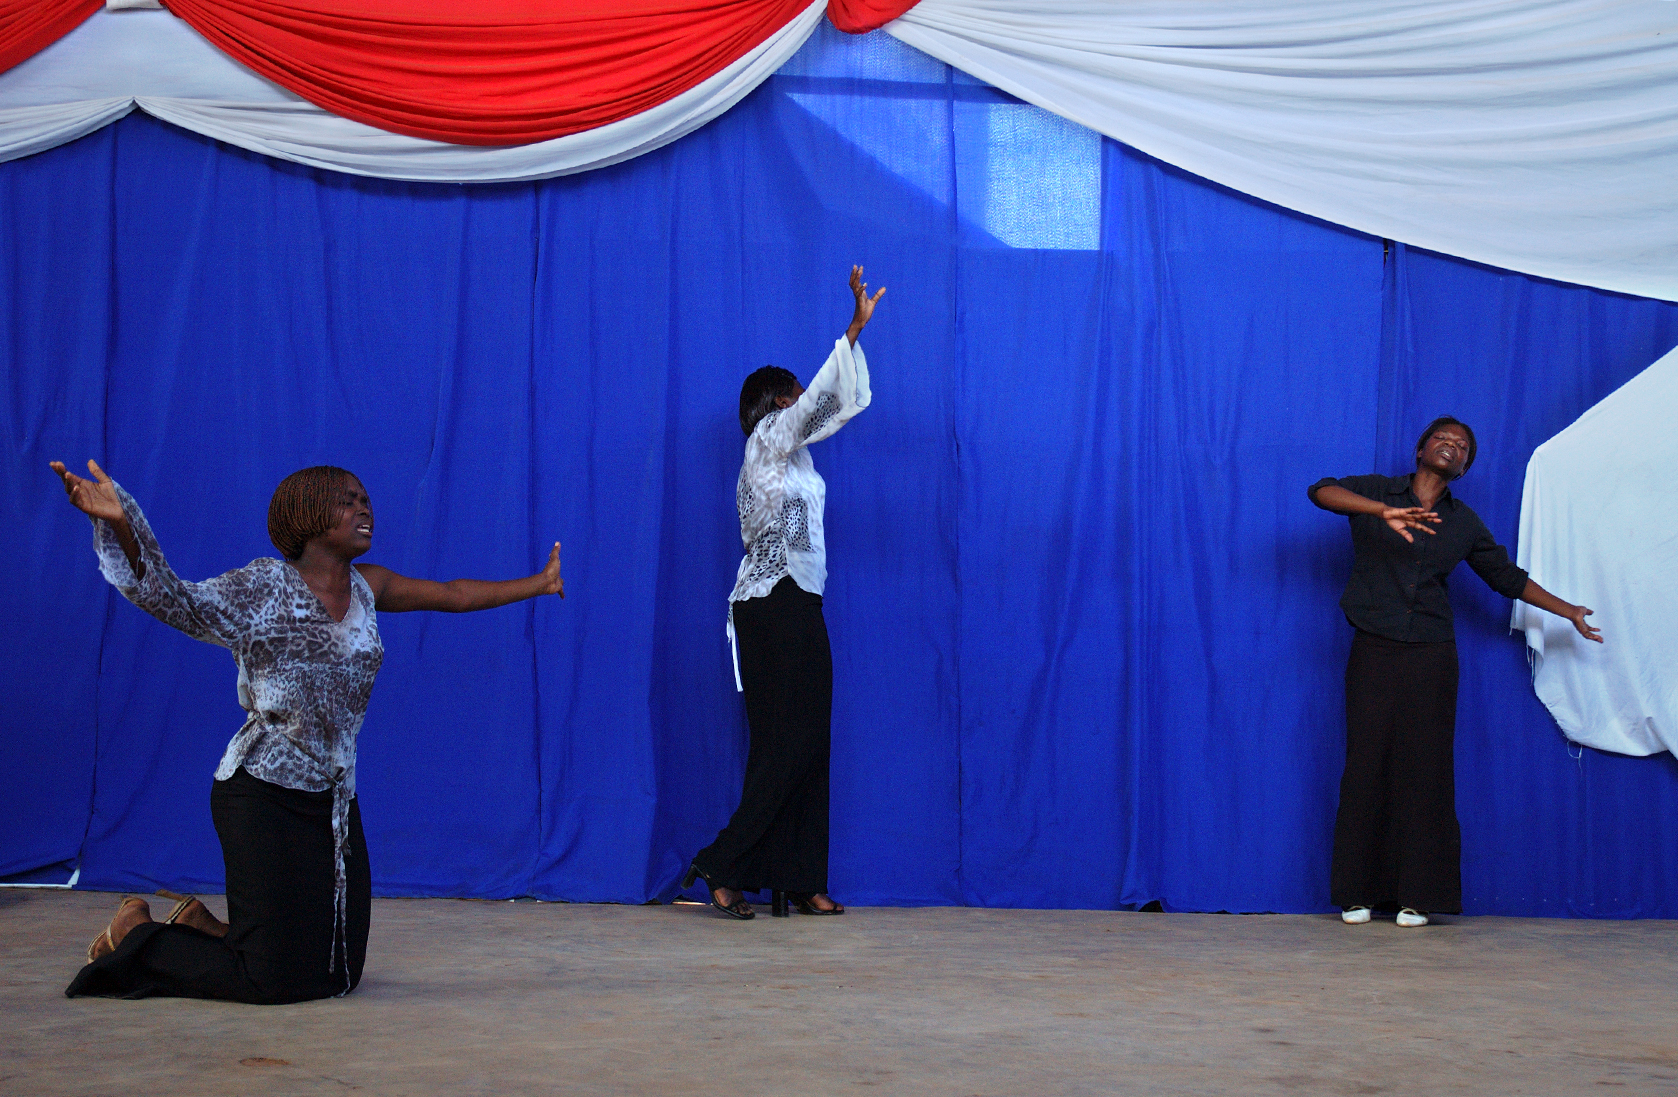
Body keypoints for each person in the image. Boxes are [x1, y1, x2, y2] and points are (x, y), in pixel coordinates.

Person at [52, 459, 563, 1002]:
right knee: (270, 979)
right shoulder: (263, 586)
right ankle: (139, 933)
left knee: (339, 971)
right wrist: (124, 523)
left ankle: (200, 927)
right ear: (310, 514)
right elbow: (176, 600)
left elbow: (453, 593)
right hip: (261, 794)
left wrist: (539, 582)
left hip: (333, 801)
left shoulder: (371, 587)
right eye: (347, 499)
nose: (364, 507)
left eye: (365, 498)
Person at [1309, 417, 1602, 927]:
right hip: (1374, 646)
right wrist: (1382, 511)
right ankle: (1357, 893)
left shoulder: (1463, 523)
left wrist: (1568, 610)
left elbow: (1506, 578)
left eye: (1462, 446)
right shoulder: (1375, 492)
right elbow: (1321, 491)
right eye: (1443, 438)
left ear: (1464, 466)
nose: (1452, 446)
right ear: (1421, 447)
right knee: (1366, 761)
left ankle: (1417, 896)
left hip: (1431, 652)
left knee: (1425, 769)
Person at [682, 266, 885, 920]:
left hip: (797, 600)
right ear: (776, 402)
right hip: (772, 601)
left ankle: (798, 876)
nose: (805, 401)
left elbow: (832, 409)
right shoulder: (767, 440)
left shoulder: (797, 461)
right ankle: (723, 859)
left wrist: (850, 348)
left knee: (806, 740)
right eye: (795, 393)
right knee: (788, 742)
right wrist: (851, 330)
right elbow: (815, 409)